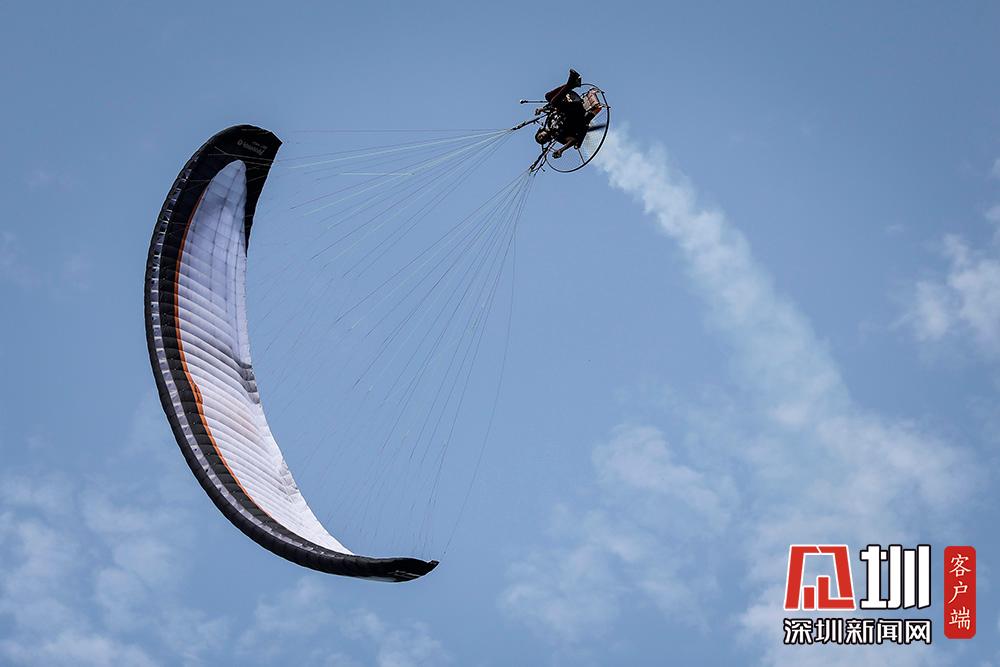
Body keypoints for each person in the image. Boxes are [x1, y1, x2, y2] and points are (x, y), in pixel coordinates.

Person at [533, 69, 595, 159]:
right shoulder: (558, 136)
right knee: (554, 102)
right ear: (547, 140)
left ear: (540, 131)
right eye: (542, 139)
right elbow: (573, 140)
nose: (542, 137)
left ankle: (572, 84)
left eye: (540, 136)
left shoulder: (549, 122)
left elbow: (553, 109)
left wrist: (542, 109)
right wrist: (561, 150)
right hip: (576, 114)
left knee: (548, 96)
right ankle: (572, 83)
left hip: (571, 104)